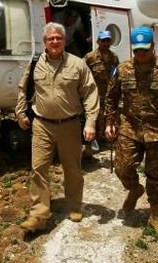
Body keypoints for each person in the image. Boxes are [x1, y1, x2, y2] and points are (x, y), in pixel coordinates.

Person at [104, 26, 158, 242]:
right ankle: (134, 189)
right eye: (137, 51)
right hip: (130, 129)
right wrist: (109, 121)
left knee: (157, 176)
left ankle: (156, 214)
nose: (140, 55)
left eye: (145, 50)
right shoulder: (122, 69)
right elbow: (110, 98)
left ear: (153, 47)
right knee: (123, 168)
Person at [15, 22, 100, 232]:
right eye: (51, 38)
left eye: (58, 38)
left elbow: (90, 92)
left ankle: (74, 205)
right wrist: (20, 112)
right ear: (45, 42)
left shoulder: (77, 64)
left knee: (72, 169)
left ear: (64, 41)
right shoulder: (35, 63)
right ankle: (38, 213)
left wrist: (90, 123)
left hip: (70, 125)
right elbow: (23, 88)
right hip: (42, 124)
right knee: (39, 169)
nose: (55, 41)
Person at [83, 30, 120, 154]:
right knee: (95, 117)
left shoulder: (114, 57)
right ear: (98, 41)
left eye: (108, 41)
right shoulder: (90, 57)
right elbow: (82, 73)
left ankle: (106, 140)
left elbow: (117, 74)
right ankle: (92, 143)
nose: (105, 43)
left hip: (109, 94)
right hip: (95, 94)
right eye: (103, 41)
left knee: (109, 117)